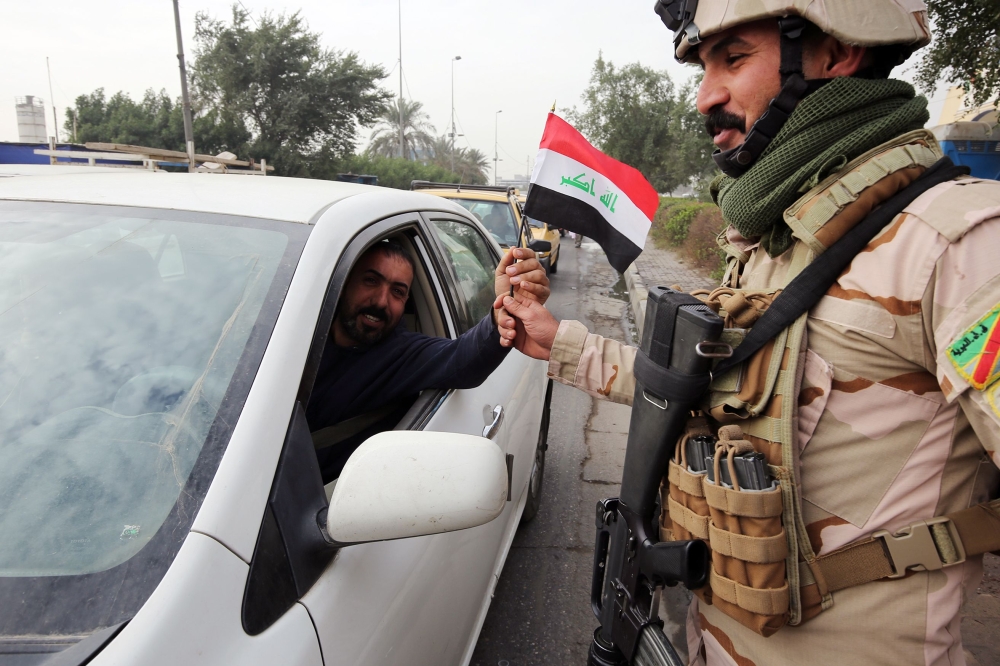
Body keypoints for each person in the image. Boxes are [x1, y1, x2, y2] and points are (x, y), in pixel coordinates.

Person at [495, 2, 1000, 664]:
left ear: (836, 54)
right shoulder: (775, 243)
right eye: (703, 68)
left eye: (733, 60)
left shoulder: (959, 245)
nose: (706, 97)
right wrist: (557, 341)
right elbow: (714, 386)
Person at [307, 238, 548, 481]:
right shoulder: (295, 337)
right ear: (345, 282)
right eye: (371, 281)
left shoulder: (402, 354)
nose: (381, 301)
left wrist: (502, 316)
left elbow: (461, 359)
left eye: (397, 292)